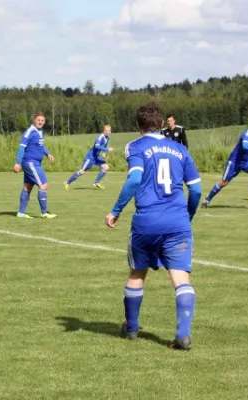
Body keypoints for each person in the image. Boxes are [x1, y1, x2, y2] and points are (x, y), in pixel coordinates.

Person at [105, 102, 201, 350]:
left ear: (139, 126)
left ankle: (132, 327)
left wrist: (115, 210)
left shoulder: (135, 147)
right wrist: (187, 216)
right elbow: (197, 189)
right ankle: (182, 334)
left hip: (146, 222)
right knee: (181, 278)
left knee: (137, 273)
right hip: (177, 222)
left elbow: (135, 177)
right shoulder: (180, 150)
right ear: (161, 124)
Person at [201, 119, 248, 208]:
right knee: (224, 182)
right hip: (235, 161)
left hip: (246, 161)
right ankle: (207, 199)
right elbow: (245, 146)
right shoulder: (246, 134)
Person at [13, 112, 57, 219]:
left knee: (28, 187)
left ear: (44, 122)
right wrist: (17, 163)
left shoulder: (39, 131)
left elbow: (40, 146)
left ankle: (21, 213)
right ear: (34, 120)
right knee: (43, 185)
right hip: (30, 163)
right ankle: (44, 212)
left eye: (42, 120)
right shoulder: (29, 132)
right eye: (38, 120)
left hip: (35, 163)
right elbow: (22, 147)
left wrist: (48, 154)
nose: (40, 122)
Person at [64, 124, 114, 190]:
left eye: (108, 130)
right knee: (81, 172)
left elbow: (105, 146)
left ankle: (97, 182)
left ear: (110, 131)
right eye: (105, 130)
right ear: (103, 131)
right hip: (91, 157)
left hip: (97, 157)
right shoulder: (100, 137)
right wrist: (107, 149)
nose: (107, 132)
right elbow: (96, 146)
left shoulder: (107, 138)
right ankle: (67, 182)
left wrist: (104, 153)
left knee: (106, 167)